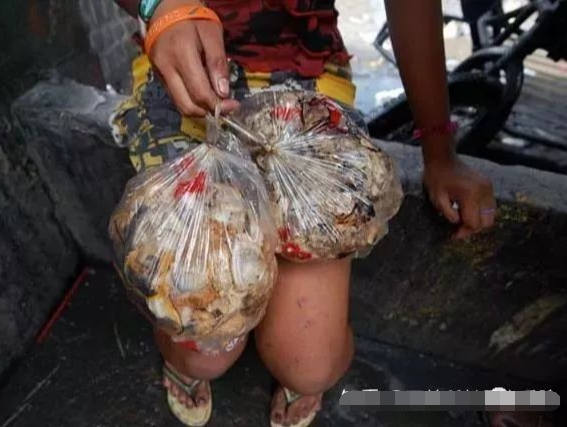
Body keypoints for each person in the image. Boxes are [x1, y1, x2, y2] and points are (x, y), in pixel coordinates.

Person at [110, 1, 537, 427]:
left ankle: (287, 351)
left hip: (305, 73)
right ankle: (190, 361)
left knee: (308, 365)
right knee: (201, 340)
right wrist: (158, 6)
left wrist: (440, 150)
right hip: (186, 74)